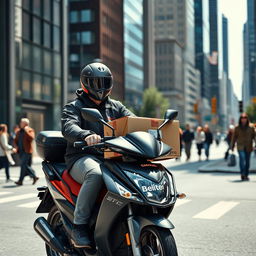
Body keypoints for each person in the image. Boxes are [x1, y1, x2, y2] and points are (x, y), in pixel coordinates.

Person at [61, 62, 135, 248]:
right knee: (96, 174)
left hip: (111, 156)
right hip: (81, 156)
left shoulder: (116, 107)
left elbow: (133, 122)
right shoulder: (74, 106)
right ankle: (79, 227)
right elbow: (69, 127)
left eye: (104, 82)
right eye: (95, 82)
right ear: (85, 83)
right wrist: (85, 135)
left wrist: (152, 131)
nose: (100, 87)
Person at [14, 118, 39, 185]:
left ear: (26, 124)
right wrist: (16, 146)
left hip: (27, 151)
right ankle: (23, 180)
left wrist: (26, 130)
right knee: (24, 165)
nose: (20, 124)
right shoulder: (19, 131)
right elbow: (15, 140)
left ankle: (32, 176)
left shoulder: (30, 130)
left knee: (23, 164)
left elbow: (31, 138)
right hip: (20, 151)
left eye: (21, 123)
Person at [231, 113, 256, 181]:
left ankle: (246, 174)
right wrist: (232, 146)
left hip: (248, 146)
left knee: (247, 161)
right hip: (240, 146)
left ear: (247, 119)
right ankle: (242, 173)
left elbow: (254, 136)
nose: (243, 119)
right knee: (242, 159)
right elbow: (234, 137)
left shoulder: (251, 127)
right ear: (240, 119)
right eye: (242, 118)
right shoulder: (237, 127)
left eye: (245, 118)